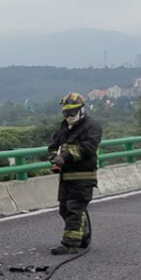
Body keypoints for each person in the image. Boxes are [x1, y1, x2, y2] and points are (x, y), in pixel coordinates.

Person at [47, 92, 102, 255]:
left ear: (81, 110)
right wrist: (53, 157)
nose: (69, 116)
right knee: (64, 210)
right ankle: (82, 236)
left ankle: (70, 244)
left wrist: (65, 155)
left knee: (74, 210)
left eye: (72, 112)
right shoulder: (63, 127)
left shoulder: (92, 127)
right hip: (66, 178)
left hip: (84, 177)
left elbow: (87, 148)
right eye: (66, 112)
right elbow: (53, 145)